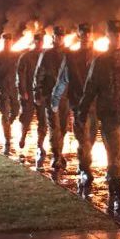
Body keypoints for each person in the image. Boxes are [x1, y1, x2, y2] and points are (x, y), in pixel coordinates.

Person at [77, 19, 120, 216]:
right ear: (108, 36)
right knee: (115, 154)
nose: (117, 37)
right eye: (113, 34)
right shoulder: (101, 61)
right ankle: (117, 194)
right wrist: (82, 109)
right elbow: (90, 87)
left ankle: (113, 180)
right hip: (110, 114)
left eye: (119, 33)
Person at [53, 23, 98, 198]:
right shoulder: (71, 57)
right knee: (84, 140)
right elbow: (62, 80)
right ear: (79, 36)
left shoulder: (99, 56)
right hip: (79, 105)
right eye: (83, 34)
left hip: (94, 105)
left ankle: (84, 164)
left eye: (89, 33)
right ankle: (86, 169)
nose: (86, 36)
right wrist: (55, 100)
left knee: (91, 139)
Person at [33, 28, 66, 174]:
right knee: (54, 126)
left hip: (65, 97)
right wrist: (37, 92)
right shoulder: (46, 54)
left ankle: (59, 152)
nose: (59, 39)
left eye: (61, 36)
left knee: (63, 127)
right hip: (50, 95)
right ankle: (56, 155)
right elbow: (39, 73)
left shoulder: (68, 54)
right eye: (57, 36)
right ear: (53, 37)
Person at [0, 34, 20, 152]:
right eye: (5, 41)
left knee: (16, 110)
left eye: (9, 41)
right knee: (5, 112)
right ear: (3, 42)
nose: (7, 43)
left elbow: (20, 72)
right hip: (3, 89)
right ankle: (7, 138)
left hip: (14, 88)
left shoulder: (16, 56)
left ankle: (8, 124)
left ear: (11, 42)